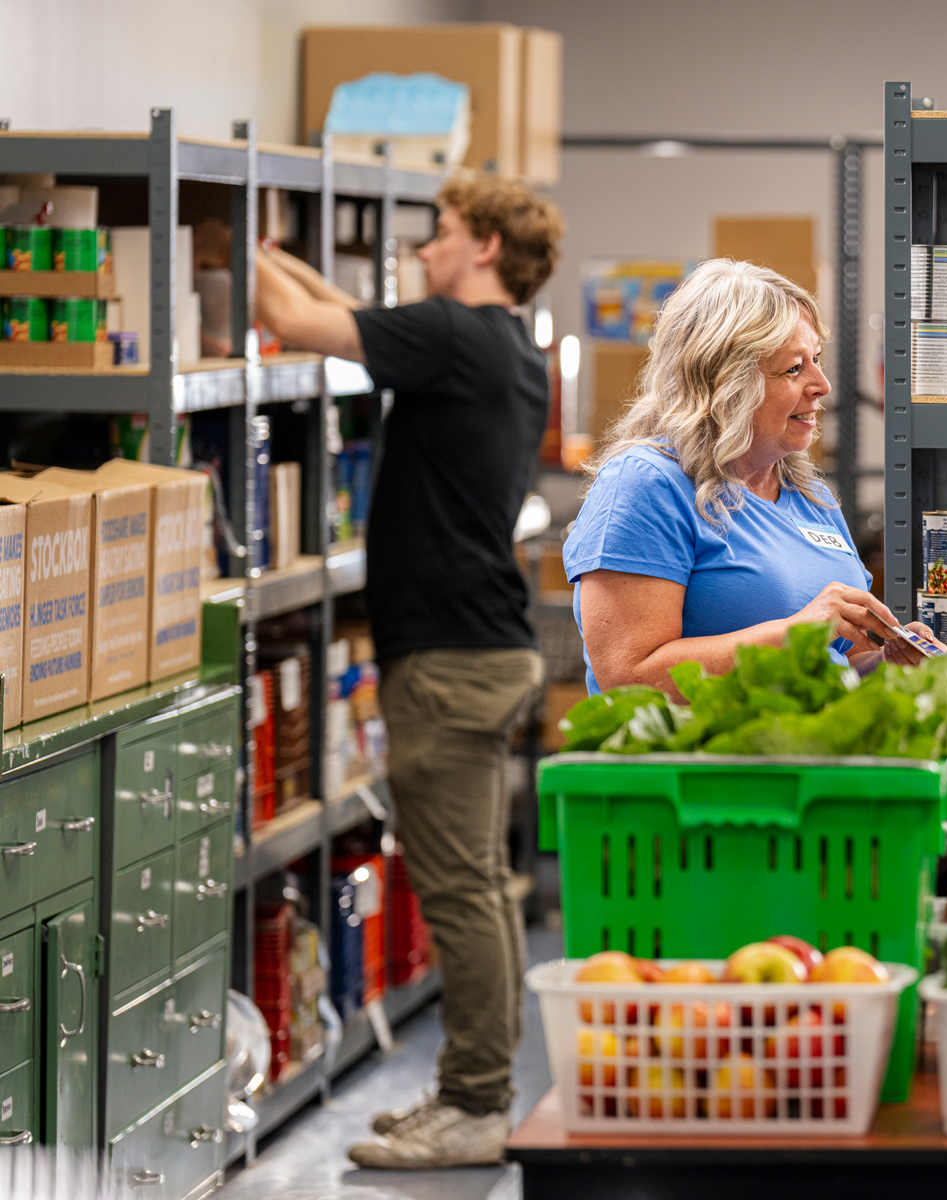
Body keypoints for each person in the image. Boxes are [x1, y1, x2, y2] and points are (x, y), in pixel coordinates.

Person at [255, 172, 563, 1169]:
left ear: (481, 248)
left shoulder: (453, 334)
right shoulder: (499, 347)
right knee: (477, 883)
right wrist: (271, 252)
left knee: (461, 890)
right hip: (483, 647)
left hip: (449, 660)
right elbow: (346, 311)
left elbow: (301, 323)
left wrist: (223, 248)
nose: (423, 249)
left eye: (439, 233)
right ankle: (473, 1091)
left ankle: (474, 1105)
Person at [565, 258, 942, 696]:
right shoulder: (645, 486)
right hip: (697, 763)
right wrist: (792, 634)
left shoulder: (810, 495)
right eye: (794, 368)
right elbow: (627, 680)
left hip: (807, 759)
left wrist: (887, 663)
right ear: (725, 382)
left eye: (816, 359)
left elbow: (836, 660)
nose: (822, 384)